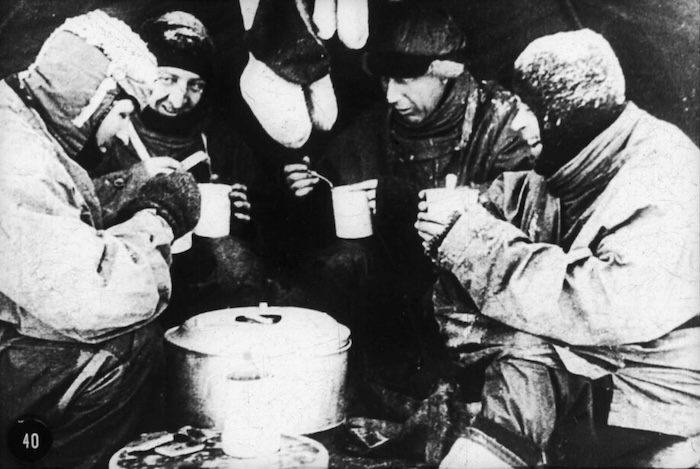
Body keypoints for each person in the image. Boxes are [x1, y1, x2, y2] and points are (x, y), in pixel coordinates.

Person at [416, 29, 700, 468]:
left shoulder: (667, 174)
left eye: (530, 109)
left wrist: (470, 242)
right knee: (522, 372)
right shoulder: (572, 161)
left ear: (568, 112)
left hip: (657, 393)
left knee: (528, 358)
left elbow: (602, 309)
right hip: (578, 371)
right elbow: (506, 207)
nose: (517, 124)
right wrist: (463, 213)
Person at [283, 5, 538, 407]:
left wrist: (409, 203)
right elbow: (332, 200)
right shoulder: (375, 126)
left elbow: (524, 213)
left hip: (472, 291)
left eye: (404, 80)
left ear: (446, 72)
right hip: (393, 294)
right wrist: (312, 193)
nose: (390, 95)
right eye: (385, 80)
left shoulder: (505, 123)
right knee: (337, 266)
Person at [0, 11, 201, 468]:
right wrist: (157, 218)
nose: (120, 133)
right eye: (124, 112)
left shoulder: (17, 119)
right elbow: (93, 299)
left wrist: (120, 192)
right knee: (126, 350)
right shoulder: (17, 159)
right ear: (93, 97)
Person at [91, 11, 290, 327]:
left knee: (236, 263)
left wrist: (244, 213)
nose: (179, 98)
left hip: (208, 280)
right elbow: (79, 213)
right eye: (166, 79)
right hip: (136, 275)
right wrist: (131, 181)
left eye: (195, 85)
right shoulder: (111, 131)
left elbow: (266, 215)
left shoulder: (215, 135)